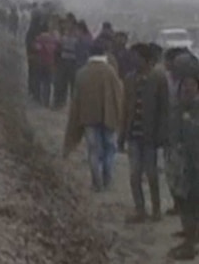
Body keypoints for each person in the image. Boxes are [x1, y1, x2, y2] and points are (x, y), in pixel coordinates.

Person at [64, 41, 124, 192]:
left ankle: (96, 182)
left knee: (93, 151)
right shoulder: (110, 71)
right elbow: (119, 95)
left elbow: (76, 99)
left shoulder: (82, 73)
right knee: (109, 149)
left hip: (88, 117)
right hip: (108, 117)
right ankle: (107, 179)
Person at [120, 43, 170, 223]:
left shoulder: (159, 79)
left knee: (151, 174)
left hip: (150, 136)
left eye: (137, 57)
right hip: (133, 134)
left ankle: (156, 209)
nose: (133, 59)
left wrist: (162, 135)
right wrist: (122, 134)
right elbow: (126, 108)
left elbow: (165, 110)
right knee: (134, 175)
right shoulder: (129, 79)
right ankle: (140, 209)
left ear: (146, 59)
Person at [168, 64, 199, 260]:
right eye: (184, 85)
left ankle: (190, 246)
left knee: (190, 205)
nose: (187, 88)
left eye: (191, 84)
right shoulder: (181, 107)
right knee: (186, 204)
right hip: (184, 166)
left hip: (194, 166)